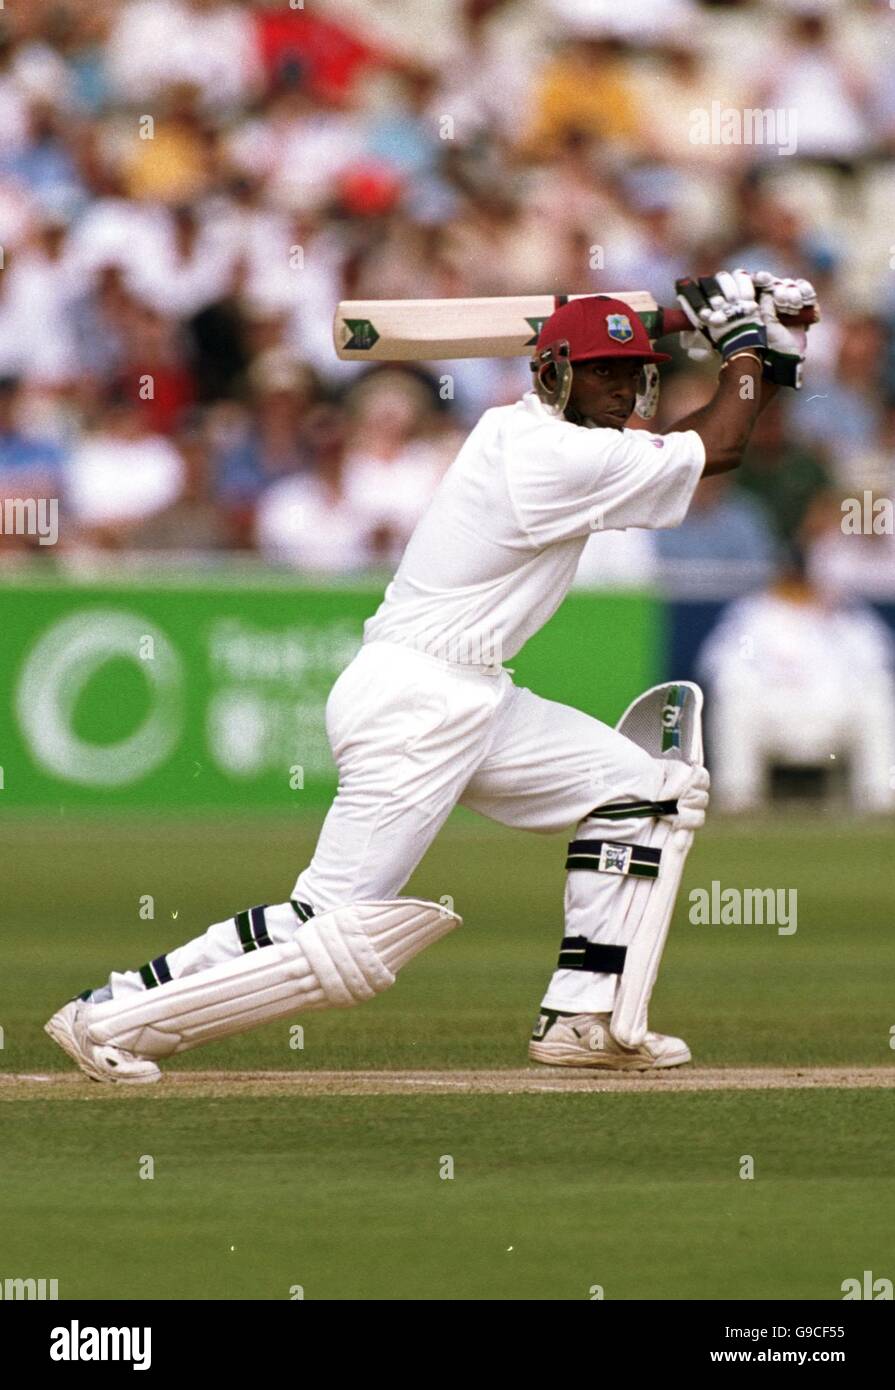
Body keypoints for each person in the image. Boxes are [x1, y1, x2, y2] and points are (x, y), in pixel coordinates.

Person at [45, 272, 815, 1083]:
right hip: (416, 699)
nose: (623, 388)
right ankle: (114, 1013)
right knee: (336, 930)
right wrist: (742, 347)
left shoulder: (562, 441)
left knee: (644, 791)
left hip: (474, 692)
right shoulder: (543, 454)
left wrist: (768, 356)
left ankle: (584, 1017)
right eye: (603, 372)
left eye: (632, 373)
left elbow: (698, 443)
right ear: (551, 373)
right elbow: (716, 447)